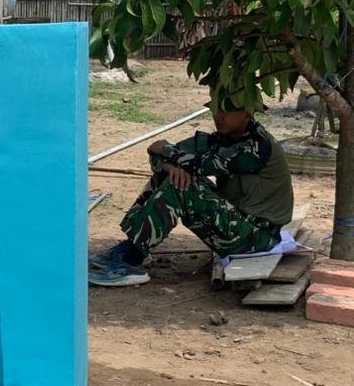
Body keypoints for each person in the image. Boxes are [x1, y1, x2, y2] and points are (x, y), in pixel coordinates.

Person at [89, 92, 294, 286]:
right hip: (238, 226)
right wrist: (169, 166)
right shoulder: (223, 139)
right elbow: (156, 152)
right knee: (171, 175)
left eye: (226, 111)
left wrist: (169, 153)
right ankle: (134, 246)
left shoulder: (257, 147)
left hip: (257, 239)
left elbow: (200, 164)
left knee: (182, 185)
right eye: (215, 109)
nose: (218, 116)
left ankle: (131, 262)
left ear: (247, 114)